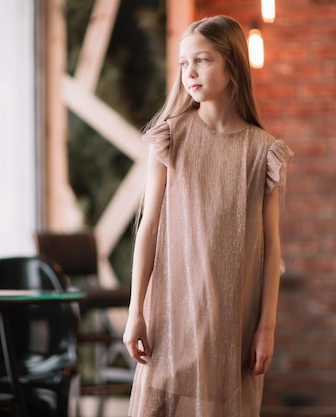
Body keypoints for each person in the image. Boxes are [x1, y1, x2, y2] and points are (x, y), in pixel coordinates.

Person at [122, 15, 293, 417]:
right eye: (184, 63)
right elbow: (148, 230)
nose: (190, 72)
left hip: (233, 321)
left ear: (232, 65)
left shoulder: (262, 152)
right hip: (171, 316)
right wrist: (136, 311)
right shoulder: (170, 137)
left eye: (202, 60)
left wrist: (266, 328)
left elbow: (271, 250)